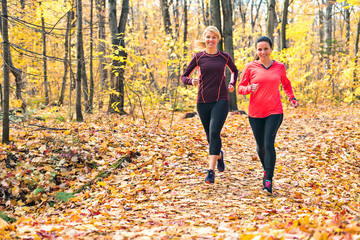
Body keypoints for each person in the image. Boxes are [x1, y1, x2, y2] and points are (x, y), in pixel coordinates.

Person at [237, 36, 299, 194]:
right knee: (261, 147)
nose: (263, 52)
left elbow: (286, 83)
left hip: (275, 111)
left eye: (265, 48)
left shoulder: (279, 67)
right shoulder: (250, 67)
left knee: (268, 143)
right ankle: (267, 170)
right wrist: (249, 88)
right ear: (256, 51)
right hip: (255, 113)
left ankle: (268, 182)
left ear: (271, 49)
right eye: (259, 49)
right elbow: (240, 88)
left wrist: (291, 97)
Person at [181, 26, 238, 184]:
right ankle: (219, 154)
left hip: (221, 99)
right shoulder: (198, 57)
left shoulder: (224, 56)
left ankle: (210, 172)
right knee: (210, 137)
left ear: (218, 39)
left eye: (214, 37)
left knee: (214, 132)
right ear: (204, 39)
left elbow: (234, 71)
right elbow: (184, 76)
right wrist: (191, 81)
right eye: (208, 37)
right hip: (203, 102)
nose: (211, 40)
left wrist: (232, 83)